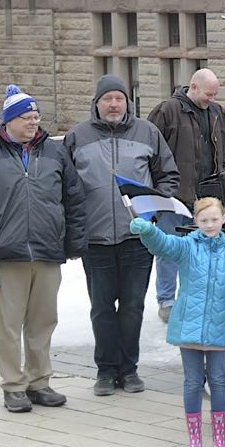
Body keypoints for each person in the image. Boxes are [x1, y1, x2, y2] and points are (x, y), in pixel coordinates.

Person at [0, 86, 84, 413]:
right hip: (5, 252)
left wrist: (72, 242)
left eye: (37, 116)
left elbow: (74, 199)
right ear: (9, 120)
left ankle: (39, 381)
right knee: (9, 325)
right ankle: (13, 386)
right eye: (27, 117)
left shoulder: (55, 153)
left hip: (46, 250)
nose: (34, 122)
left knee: (43, 322)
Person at [64, 73, 178, 396]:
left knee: (132, 307)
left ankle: (129, 370)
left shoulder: (148, 133)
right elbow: (66, 186)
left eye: (119, 99)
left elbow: (168, 176)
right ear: (96, 103)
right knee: (101, 308)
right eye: (107, 99)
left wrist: (153, 212)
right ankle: (105, 370)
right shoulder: (77, 137)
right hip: (96, 239)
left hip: (137, 239)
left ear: (128, 102)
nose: (113, 105)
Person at [129, 198, 225, 447]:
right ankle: (195, 439)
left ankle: (220, 436)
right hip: (189, 325)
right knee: (192, 382)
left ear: (223, 218)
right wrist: (148, 231)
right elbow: (164, 245)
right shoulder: (187, 246)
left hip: (219, 327)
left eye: (214, 219)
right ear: (195, 222)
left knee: (219, 381)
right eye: (203, 220)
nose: (209, 225)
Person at [149, 68, 225, 321]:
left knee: (202, 249)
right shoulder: (168, 111)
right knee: (169, 249)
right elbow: (150, 149)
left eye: (215, 95)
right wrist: (159, 187)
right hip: (174, 194)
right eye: (208, 94)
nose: (211, 99)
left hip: (208, 196)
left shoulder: (217, 112)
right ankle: (167, 300)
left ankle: (194, 297)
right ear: (193, 87)